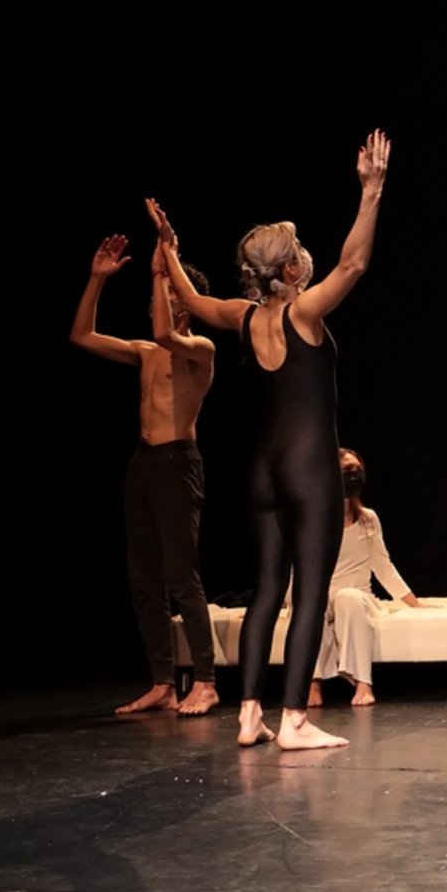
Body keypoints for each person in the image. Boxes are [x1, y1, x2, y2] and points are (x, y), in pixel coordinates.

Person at [150, 128, 392, 750]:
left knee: (265, 594)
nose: (308, 256)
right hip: (308, 470)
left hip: (261, 470)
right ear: (288, 268)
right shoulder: (302, 312)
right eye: (300, 252)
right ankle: (294, 722)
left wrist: (170, 249)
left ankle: (249, 715)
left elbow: (192, 298)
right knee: (308, 594)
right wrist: (371, 191)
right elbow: (354, 264)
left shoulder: (243, 316)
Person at [70, 234, 220, 717]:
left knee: (181, 577)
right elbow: (82, 336)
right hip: (144, 463)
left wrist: (159, 270)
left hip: (178, 464)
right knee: (144, 581)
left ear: (188, 302)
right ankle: (162, 682)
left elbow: (165, 334)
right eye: (163, 291)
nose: (164, 299)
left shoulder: (200, 348)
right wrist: (96, 279)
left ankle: (205, 681)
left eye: (174, 293)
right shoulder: (145, 351)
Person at [303, 448, 423, 709]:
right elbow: (298, 568)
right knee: (314, 602)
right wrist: (280, 604)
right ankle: (312, 683)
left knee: (348, 598)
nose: (353, 475)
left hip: (357, 595)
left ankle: (363, 683)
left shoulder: (368, 519)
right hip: (322, 593)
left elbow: (383, 566)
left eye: (357, 469)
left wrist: (414, 603)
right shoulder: (312, 520)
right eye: (347, 470)